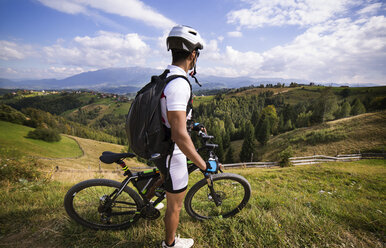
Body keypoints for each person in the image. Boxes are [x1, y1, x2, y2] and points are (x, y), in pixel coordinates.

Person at [156, 25, 208, 248]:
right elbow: (178, 134)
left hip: (160, 144)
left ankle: (148, 201)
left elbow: (171, 116)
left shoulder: (166, 76)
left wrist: (193, 124)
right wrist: (203, 165)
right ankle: (170, 244)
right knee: (175, 207)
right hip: (172, 152)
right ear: (193, 55)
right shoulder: (179, 84)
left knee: (164, 179)